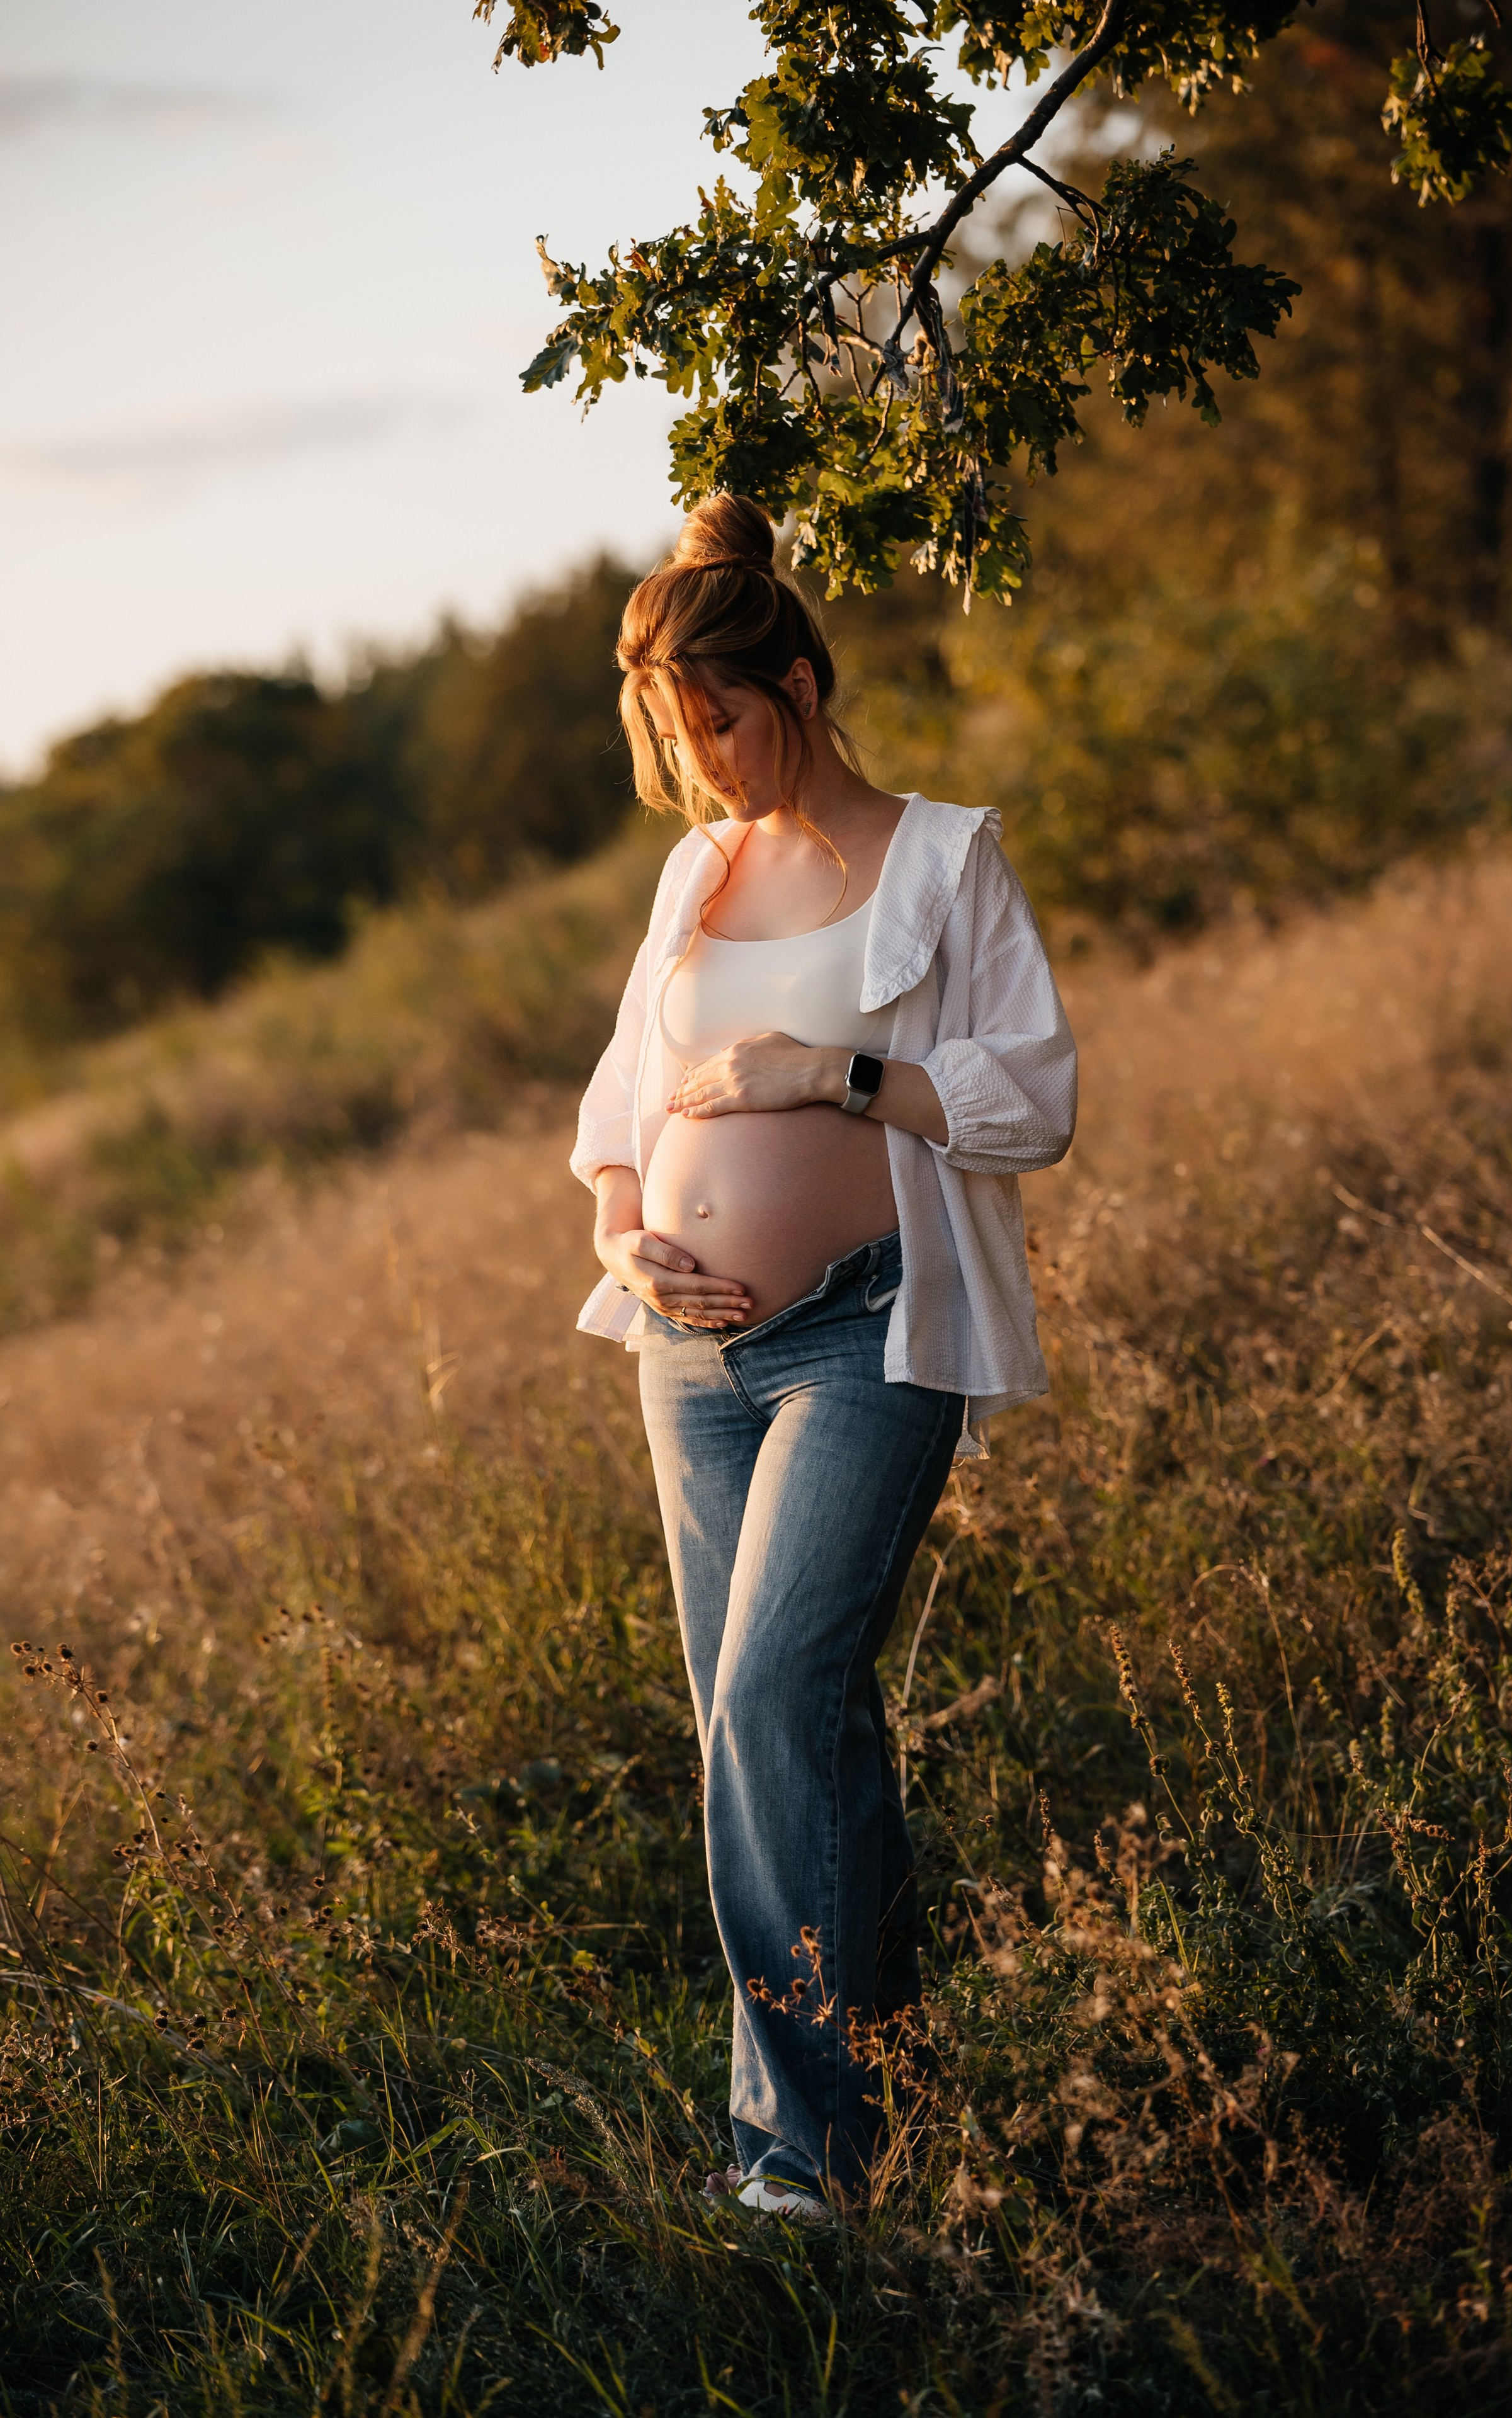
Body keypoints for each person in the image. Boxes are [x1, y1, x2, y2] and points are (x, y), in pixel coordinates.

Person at [571, 492, 1077, 2218]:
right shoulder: (695, 874)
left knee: (777, 1702)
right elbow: (625, 1101)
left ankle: (804, 2158)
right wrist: (617, 1227)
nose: (701, 767)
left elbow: (1034, 1100)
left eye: (717, 721)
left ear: (796, 677)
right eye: (670, 736)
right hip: (685, 1355)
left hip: (871, 1334)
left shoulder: (944, 856)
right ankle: (881, 2100)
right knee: (779, 1729)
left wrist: (835, 1078)